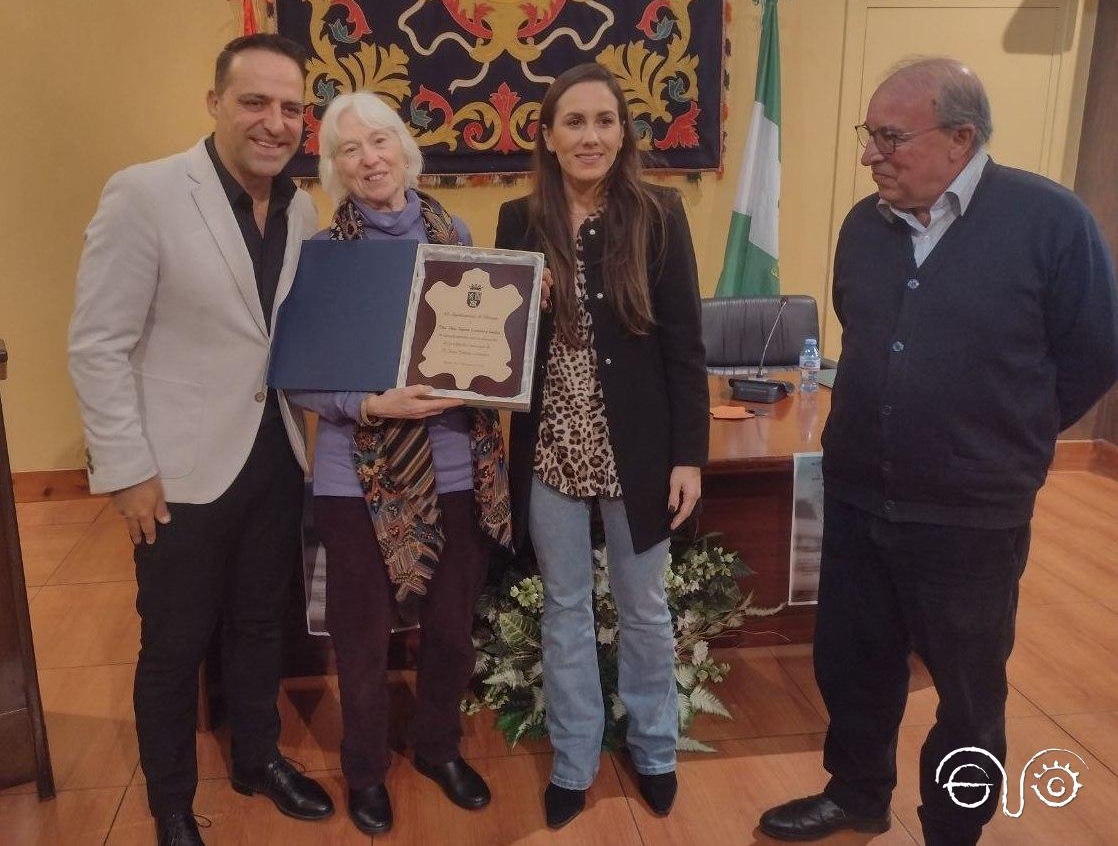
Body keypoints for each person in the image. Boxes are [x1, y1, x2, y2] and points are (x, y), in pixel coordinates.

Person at [760, 58, 1118, 845]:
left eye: (889, 138)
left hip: (971, 515)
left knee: (966, 690)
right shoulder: (865, 226)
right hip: (856, 498)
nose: (869, 156)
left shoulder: (1050, 222)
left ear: (960, 138)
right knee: (854, 666)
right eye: (869, 136)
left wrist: (1008, 435)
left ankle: (952, 831)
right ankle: (856, 793)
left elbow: (1096, 351)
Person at [68, 34, 334, 846]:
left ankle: (256, 759)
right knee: (174, 644)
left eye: (291, 108)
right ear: (214, 102)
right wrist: (127, 470)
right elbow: (97, 343)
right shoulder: (145, 194)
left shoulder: (301, 208)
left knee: (260, 625)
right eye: (255, 101)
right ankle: (172, 803)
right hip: (175, 471)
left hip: (271, 455)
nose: (274, 122)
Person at [286, 91, 516, 836]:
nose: (368, 159)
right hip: (356, 477)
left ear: (406, 152)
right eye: (349, 150)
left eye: (379, 141)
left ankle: (437, 748)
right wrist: (371, 404)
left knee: (451, 626)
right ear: (334, 168)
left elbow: (488, 347)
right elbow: (298, 374)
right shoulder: (323, 254)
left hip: (456, 466)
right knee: (361, 635)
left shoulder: (461, 236)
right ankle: (364, 770)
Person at [495, 62, 709, 829]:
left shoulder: (659, 213)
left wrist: (690, 454)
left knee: (645, 608)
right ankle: (576, 756)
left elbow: (686, 344)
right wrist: (525, 311)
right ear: (549, 138)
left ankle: (654, 750)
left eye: (604, 121)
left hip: (641, 448)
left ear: (623, 132)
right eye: (574, 123)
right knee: (564, 606)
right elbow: (498, 347)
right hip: (552, 444)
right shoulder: (519, 222)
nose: (591, 136)